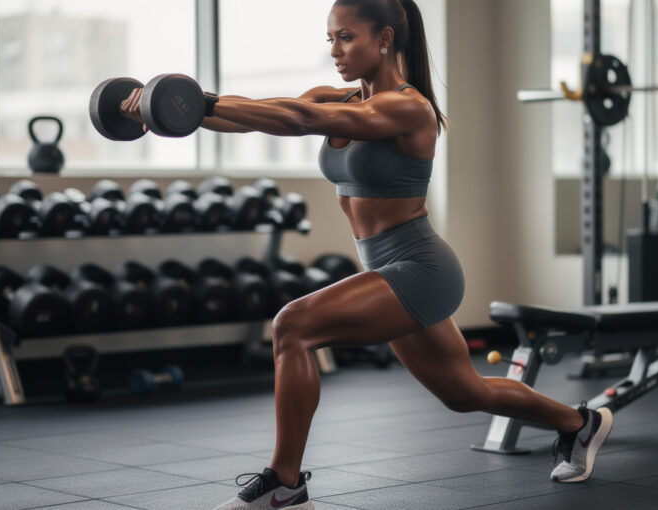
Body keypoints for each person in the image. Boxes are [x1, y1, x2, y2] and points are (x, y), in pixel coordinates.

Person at [123, 1, 612, 508]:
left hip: (421, 269)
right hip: (384, 268)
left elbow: (298, 118)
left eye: (346, 38)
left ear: (383, 38)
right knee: (465, 394)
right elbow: (252, 118)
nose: (335, 50)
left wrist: (195, 103)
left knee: (293, 326)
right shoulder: (338, 96)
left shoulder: (407, 107)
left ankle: (285, 486)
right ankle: (581, 423)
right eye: (330, 39)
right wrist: (167, 114)